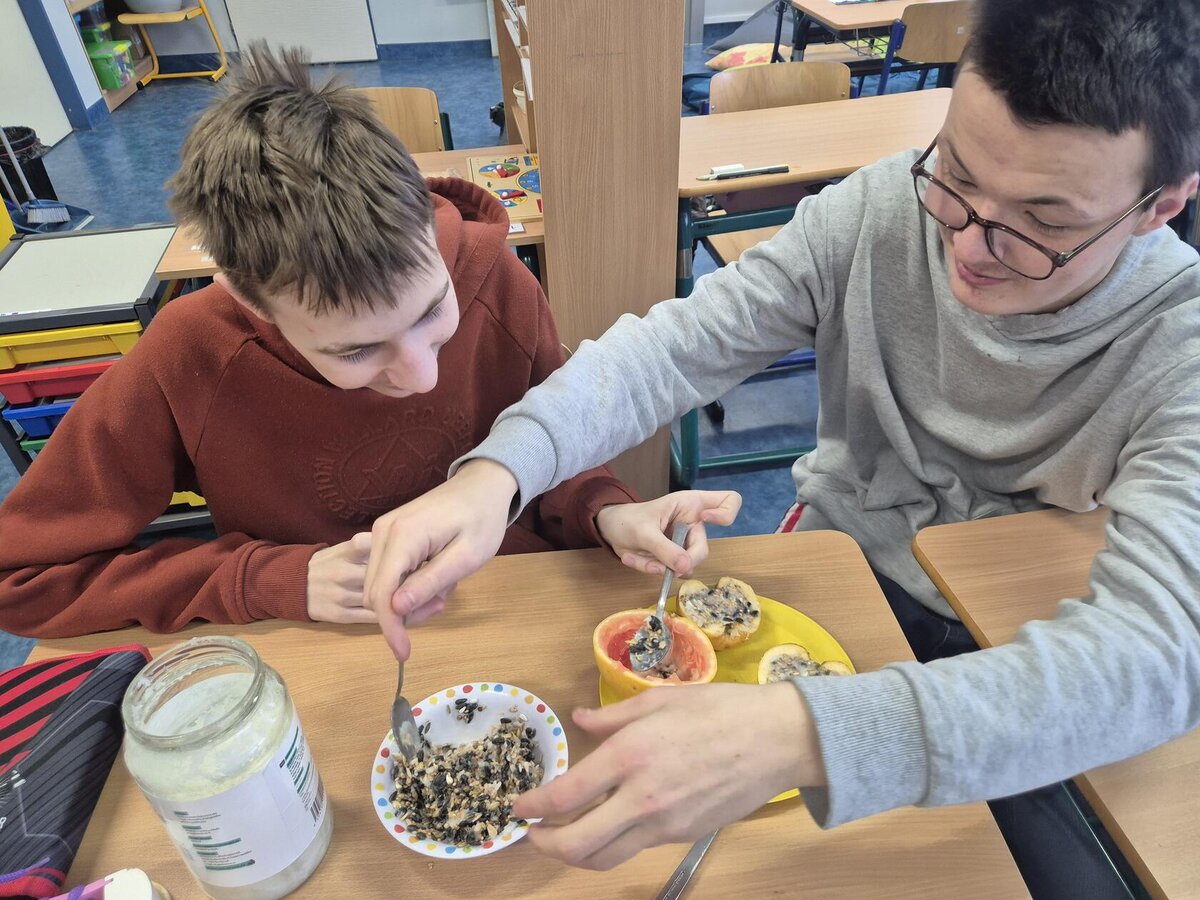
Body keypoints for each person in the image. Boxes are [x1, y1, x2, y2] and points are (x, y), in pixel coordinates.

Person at [359, 0, 1200, 895]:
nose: (969, 241)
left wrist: (807, 736)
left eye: (1042, 222)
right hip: (846, 570)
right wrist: (501, 471)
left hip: (1026, 639)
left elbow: (1160, 654)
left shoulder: (1178, 342)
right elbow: (673, 350)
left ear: (1161, 206)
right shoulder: (879, 210)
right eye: (954, 174)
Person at [0, 45, 737, 654]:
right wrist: (266, 579)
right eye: (355, 352)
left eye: (432, 312)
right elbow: (21, 580)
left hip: (519, 619)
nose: (421, 375)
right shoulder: (189, 357)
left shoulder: (497, 283)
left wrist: (603, 510)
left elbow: (554, 455)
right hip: (325, 649)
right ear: (250, 303)